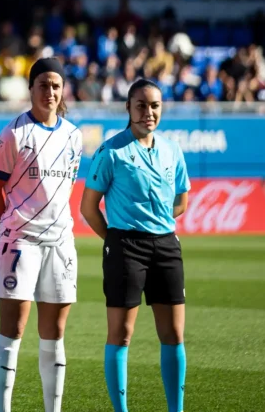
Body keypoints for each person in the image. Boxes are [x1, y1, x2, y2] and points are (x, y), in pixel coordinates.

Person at [81, 79, 191, 412]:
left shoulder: (172, 149)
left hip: (166, 246)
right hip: (125, 246)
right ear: (128, 108)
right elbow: (88, 208)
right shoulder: (111, 150)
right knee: (122, 333)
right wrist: (116, 241)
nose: (148, 112)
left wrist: (157, 222)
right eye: (141, 105)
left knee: (173, 334)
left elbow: (182, 200)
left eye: (154, 105)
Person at [0, 58, 83, 412]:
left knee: (54, 334)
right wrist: (10, 227)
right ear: (31, 88)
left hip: (60, 244)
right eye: (43, 84)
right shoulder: (13, 133)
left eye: (56, 85)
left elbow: (68, 185)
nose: (50, 92)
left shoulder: (74, 136)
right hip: (20, 244)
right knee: (13, 330)